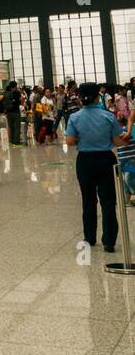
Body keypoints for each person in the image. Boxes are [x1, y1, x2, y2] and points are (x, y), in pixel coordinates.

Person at [65, 82, 129, 252]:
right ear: (97, 97)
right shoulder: (108, 116)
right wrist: (127, 137)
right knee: (108, 201)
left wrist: (84, 139)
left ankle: (90, 237)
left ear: (80, 98)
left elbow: (70, 141)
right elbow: (117, 141)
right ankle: (109, 241)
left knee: (88, 199)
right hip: (105, 160)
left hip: (85, 161)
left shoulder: (75, 117)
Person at [1, 80, 24, 145]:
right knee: (17, 127)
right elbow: (20, 102)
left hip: (8, 112)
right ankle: (16, 141)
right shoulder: (16, 92)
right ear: (15, 86)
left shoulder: (6, 92)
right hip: (16, 112)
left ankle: (11, 140)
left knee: (11, 127)